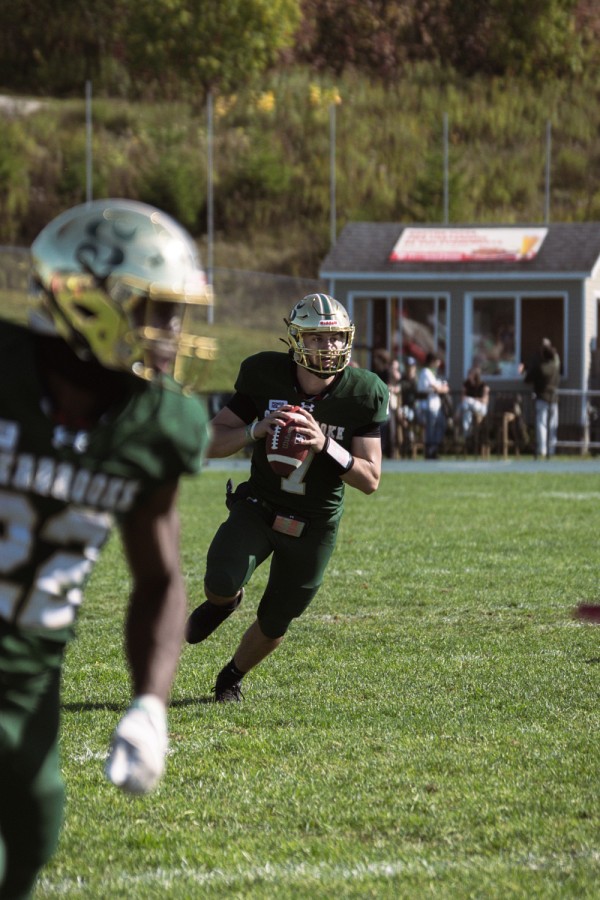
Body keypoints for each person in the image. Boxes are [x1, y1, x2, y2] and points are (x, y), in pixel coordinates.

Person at [0, 199, 214, 899]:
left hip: (28, 679)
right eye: (158, 311)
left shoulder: (156, 424)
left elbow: (160, 579)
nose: (172, 333)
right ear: (92, 299)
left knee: (34, 833)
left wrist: (151, 703)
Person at [186, 293, 389, 702]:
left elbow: (370, 479)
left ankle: (231, 676)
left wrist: (325, 445)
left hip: (315, 523)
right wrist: (253, 431)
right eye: (316, 338)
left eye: (335, 337)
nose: (328, 347)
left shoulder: (363, 392)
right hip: (259, 507)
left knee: (276, 619)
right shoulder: (264, 374)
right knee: (220, 579)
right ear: (296, 339)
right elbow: (209, 440)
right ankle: (225, 603)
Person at [522, 338, 561, 457]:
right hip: (554, 398)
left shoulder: (540, 367)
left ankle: (542, 449)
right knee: (553, 425)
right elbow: (556, 359)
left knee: (541, 424)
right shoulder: (555, 366)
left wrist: (524, 370)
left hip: (542, 398)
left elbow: (527, 379)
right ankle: (551, 449)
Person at [417, 351, 450, 459]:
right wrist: (443, 388)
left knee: (440, 425)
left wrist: (442, 387)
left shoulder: (432, 373)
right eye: (437, 361)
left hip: (435, 407)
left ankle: (433, 449)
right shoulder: (426, 372)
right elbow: (437, 388)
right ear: (432, 361)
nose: (439, 363)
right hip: (429, 407)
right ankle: (430, 451)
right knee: (430, 429)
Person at [459, 365, 490, 438]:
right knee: (466, 413)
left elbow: (485, 401)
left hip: (481, 408)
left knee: (467, 402)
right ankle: (467, 435)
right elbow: (462, 398)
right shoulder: (466, 384)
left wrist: (473, 400)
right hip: (468, 408)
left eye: (470, 374)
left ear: (475, 375)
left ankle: (468, 434)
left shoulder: (483, 385)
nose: (468, 376)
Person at [398, 356, 420, 457]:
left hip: (416, 408)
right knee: (404, 416)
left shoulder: (417, 380)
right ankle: (406, 443)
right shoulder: (402, 379)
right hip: (405, 407)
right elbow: (400, 389)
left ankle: (411, 442)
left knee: (415, 417)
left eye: (411, 366)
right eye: (407, 366)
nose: (409, 369)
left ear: (414, 367)